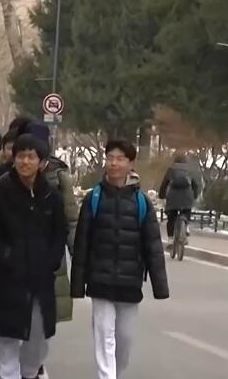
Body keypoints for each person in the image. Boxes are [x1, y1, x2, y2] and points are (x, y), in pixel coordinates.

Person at [71, 139, 168, 379]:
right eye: (110, 158)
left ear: (130, 164)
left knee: (124, 341)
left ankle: (116, 373)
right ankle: (107, 376)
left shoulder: (141, 202)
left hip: (129, 283)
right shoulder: (93, 198)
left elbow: (153, 246)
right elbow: (82, 243)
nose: (113, 163)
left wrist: (160, 286)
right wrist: (78, 284)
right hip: (100, 281)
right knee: (104, 336)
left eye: (120, 159)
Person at [0, 133, 69, 379]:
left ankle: (29, 373)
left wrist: (51, 260)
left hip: (40, 279)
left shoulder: (51, 196)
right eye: (21, 156)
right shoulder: (0, 192)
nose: (25, 162)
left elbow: (59, 232)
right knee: (8, 341)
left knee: (37, 344)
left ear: (42, 162)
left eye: (31, 157)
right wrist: (5, 256)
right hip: (8, 279)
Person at [158, 154, 201, 246]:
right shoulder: (189, 170)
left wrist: (161, 195)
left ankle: (170, 239)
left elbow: (164, 183)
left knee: (171, 218)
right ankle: (186, 226)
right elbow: (195, 185)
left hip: (173, 196)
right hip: (186, 196)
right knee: (187, 211)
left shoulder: (171, 170)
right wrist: (195, 196)